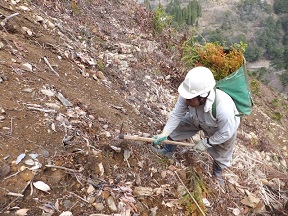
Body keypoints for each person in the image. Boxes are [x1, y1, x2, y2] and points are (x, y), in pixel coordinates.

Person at [150, 66, 240, 185]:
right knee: (178, 127)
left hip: (219, 128)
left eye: (189, 99)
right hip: (196, 118)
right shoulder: (188, 96)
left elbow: (226, 133)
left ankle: (217, 173)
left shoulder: (223, 109)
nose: (186, 101)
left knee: (222, 152)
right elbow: (177, 115)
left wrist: (206, 143)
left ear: (202, 97)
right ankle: (167, 150)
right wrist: (164, 133)